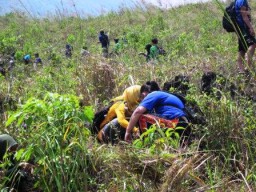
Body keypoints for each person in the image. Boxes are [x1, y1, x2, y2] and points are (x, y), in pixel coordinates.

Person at [124, 90, 190, 143]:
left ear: (144, 94)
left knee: (142, 117)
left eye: (141, 100)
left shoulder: (153, 94)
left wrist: (128, 131)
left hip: (175, 123)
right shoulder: (165, 96)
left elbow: (138, 111)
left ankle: (145, 145)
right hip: (184, 124)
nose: (141, 102)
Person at [235, 0, 256, 73]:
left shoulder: (237, 1)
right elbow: (244, 17)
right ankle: (248, 68)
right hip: (244, 28)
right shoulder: (242, 1)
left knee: (242, 48)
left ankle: (241, 70)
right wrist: (251, 28)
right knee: (253, 44)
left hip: (239, 28)